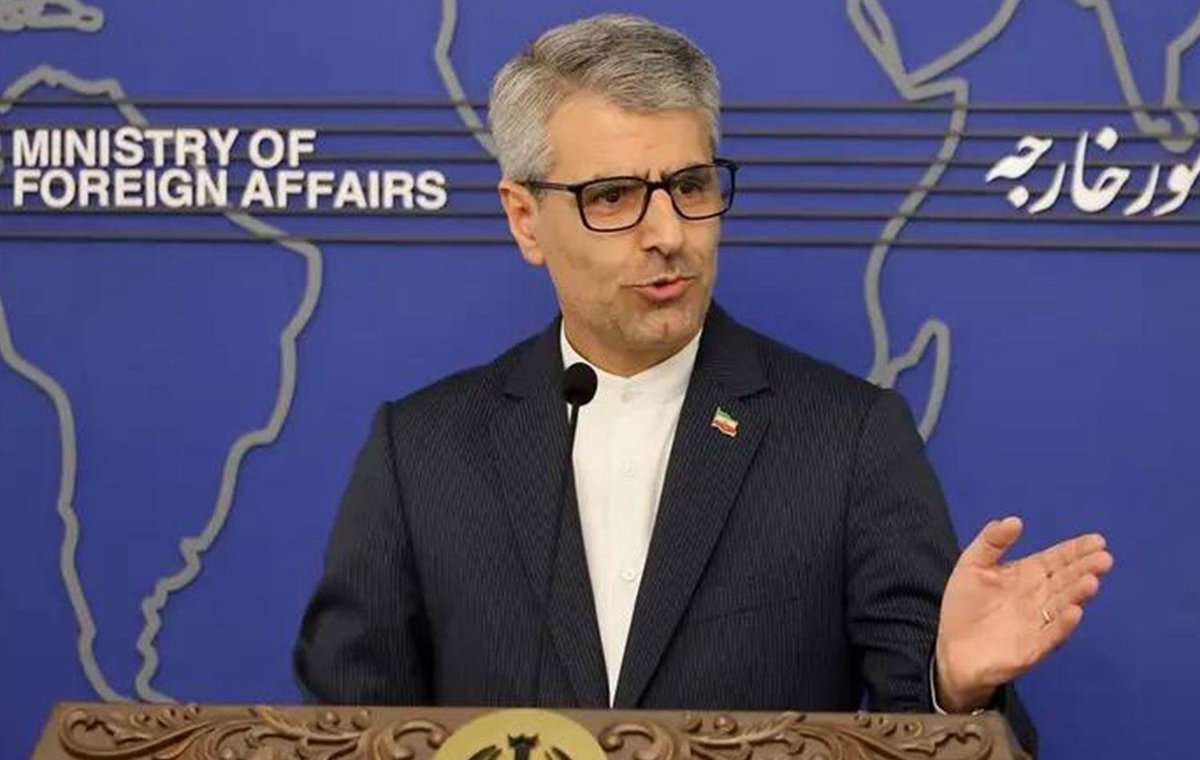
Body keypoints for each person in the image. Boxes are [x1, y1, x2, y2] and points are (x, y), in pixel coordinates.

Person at [293, 14, 1113, 755]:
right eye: (613, 196)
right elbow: (344, 735)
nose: (668, 234)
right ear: (524, 218)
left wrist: (954, 691)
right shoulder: (421, 451)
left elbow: (925, 734)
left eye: (689, 187)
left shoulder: (848, 439)